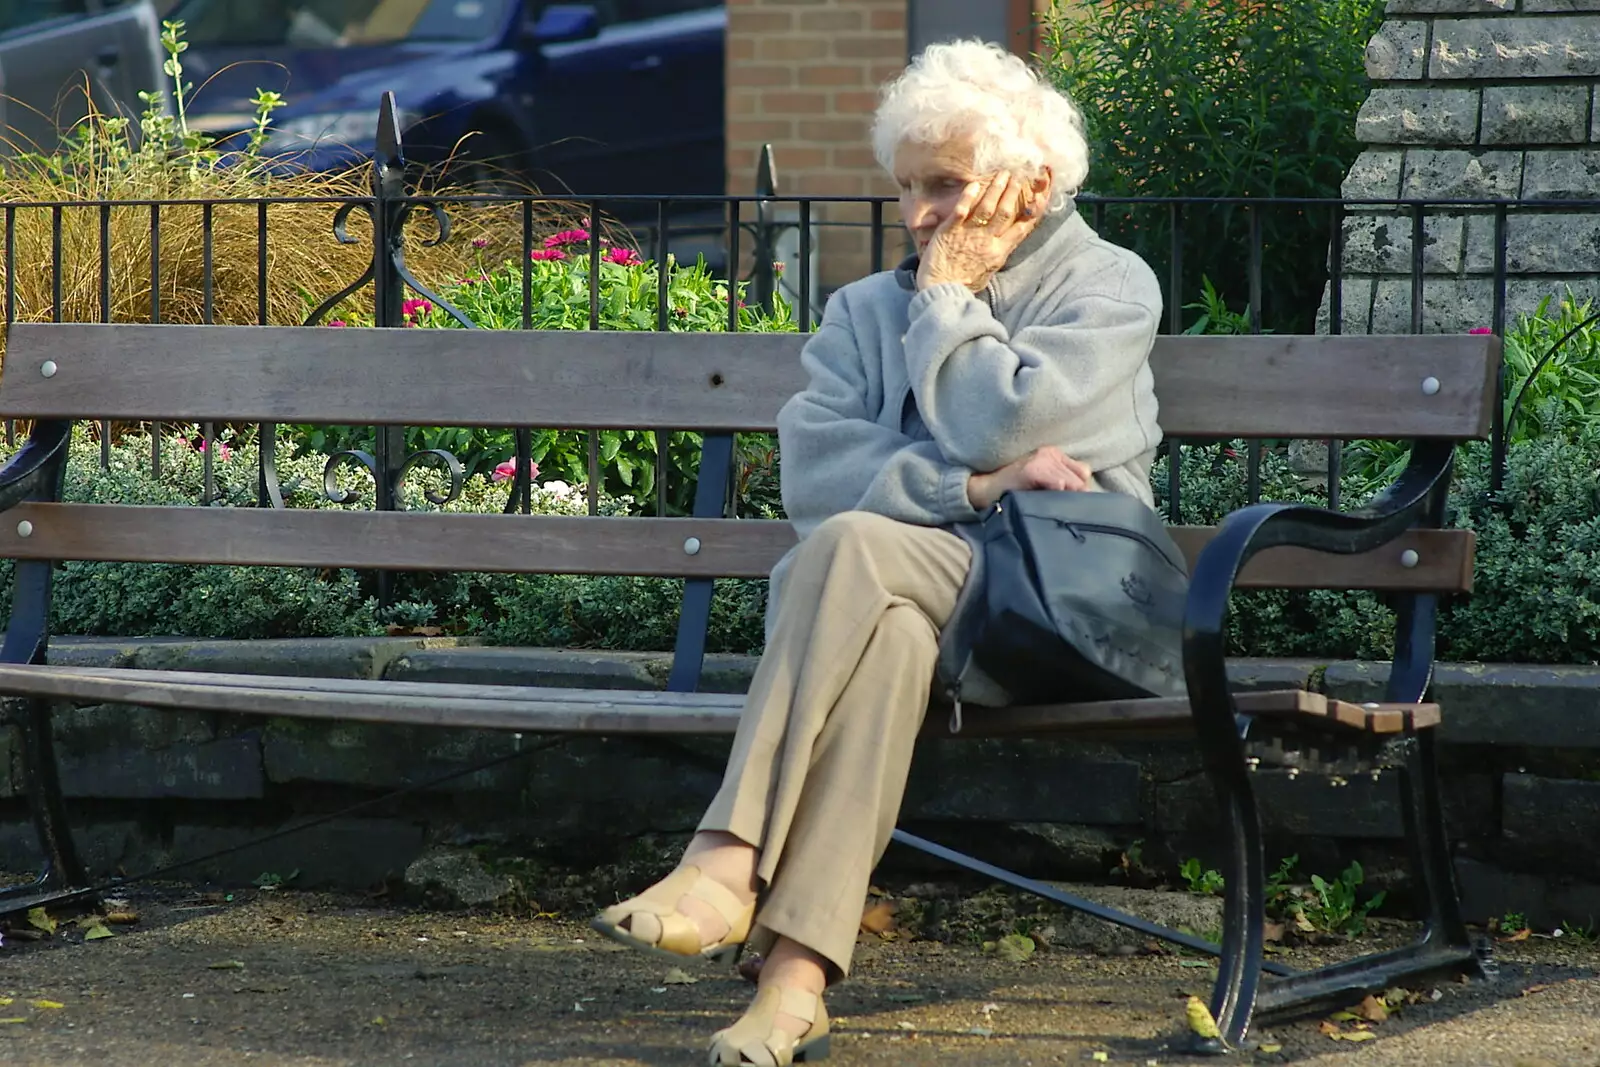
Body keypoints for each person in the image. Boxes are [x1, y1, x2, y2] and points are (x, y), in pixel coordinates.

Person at [592, 38, 1164, 1067]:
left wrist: (949, 304)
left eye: (944, 186)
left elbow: (1001, 417)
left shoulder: (1107, 288)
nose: (917, 218)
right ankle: (792, 986)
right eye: (906, 189)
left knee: (859, 544)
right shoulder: (863, 311)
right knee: (884, 622)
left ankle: (725, 854)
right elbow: (816, 472)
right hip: (895, 606)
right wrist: (973, 486)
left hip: (1052, 608)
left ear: (1028, 181)